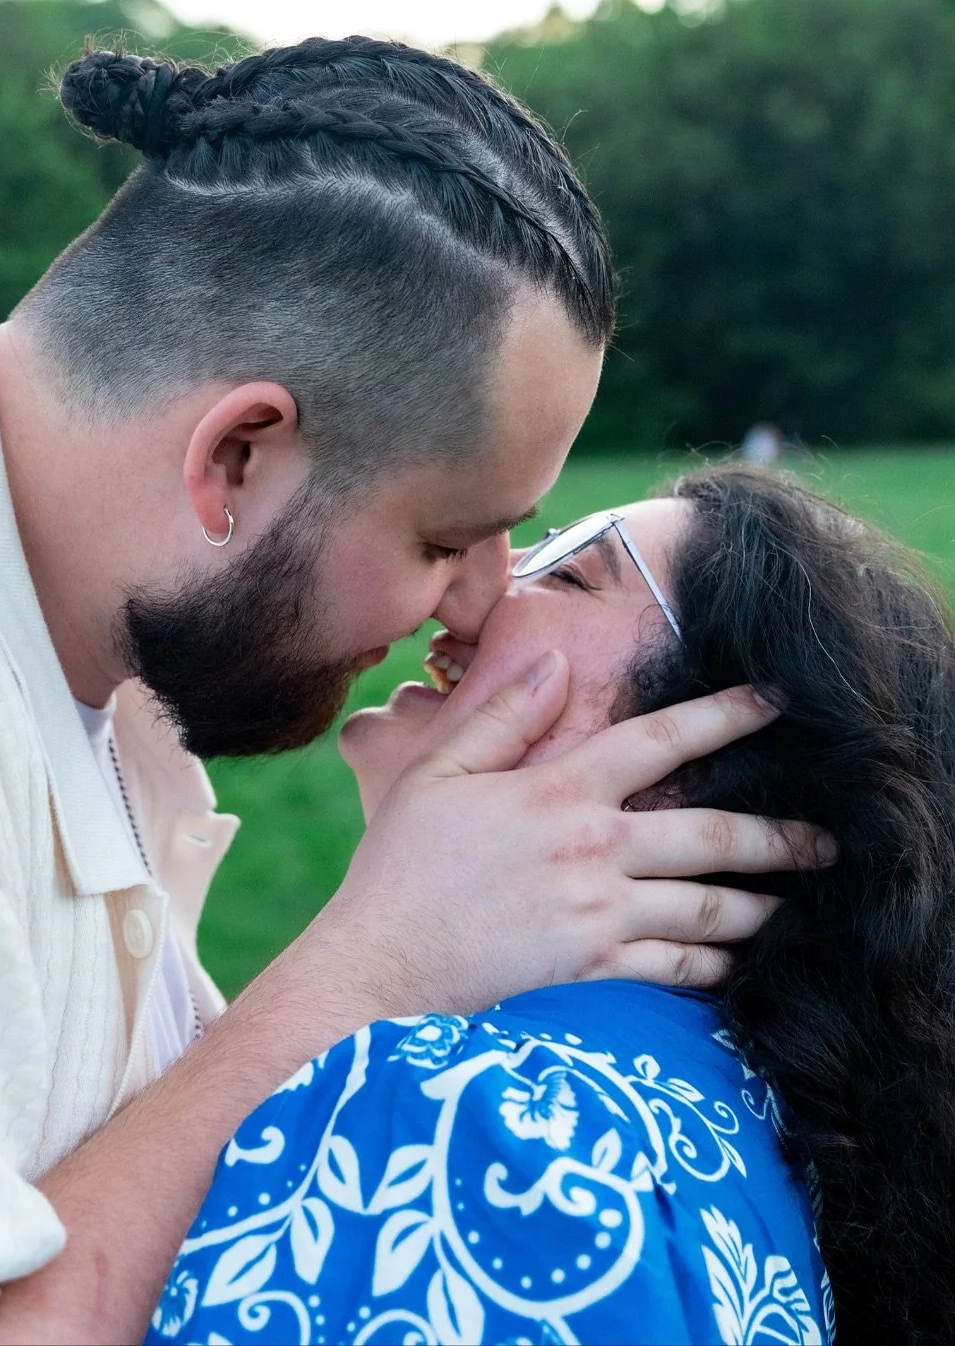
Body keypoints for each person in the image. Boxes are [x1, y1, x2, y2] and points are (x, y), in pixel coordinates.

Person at [0, 40, 830, 1346]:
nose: (477, 602)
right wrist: (383, 955)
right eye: (445, 539)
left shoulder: (108, 637)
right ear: (236, 458)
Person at [152, 467, 955, 1346]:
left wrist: (378, 953)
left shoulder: (483, 1123)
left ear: (692, 769)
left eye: (569, 572)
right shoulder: (768, 1125)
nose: (478, 588)